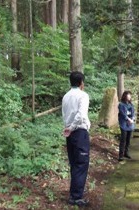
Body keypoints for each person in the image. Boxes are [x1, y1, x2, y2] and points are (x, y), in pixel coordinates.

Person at [62, 71, 91, 207]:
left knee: (74, 163)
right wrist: (72, 127)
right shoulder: (83, 95)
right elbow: (81, 115)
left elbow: (64, 114)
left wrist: (68, 127)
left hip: (70, 133)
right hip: (79, 132)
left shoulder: (66, 96)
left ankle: (74, 193)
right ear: (81, 83)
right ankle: (76, 197)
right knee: (81, 163)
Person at [118, 91, 135, 162]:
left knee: (128, 140)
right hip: (124, 124)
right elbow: (123, 114)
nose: (130, 97)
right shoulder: (121, 104)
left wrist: (132, 119)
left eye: (130, 95)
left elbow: (133, 113)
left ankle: (126, 153)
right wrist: (128, 119)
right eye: (128, 95)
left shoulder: (131, 104)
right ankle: (121, 155)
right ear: (125, 96)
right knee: (123, 140)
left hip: (130, 124)